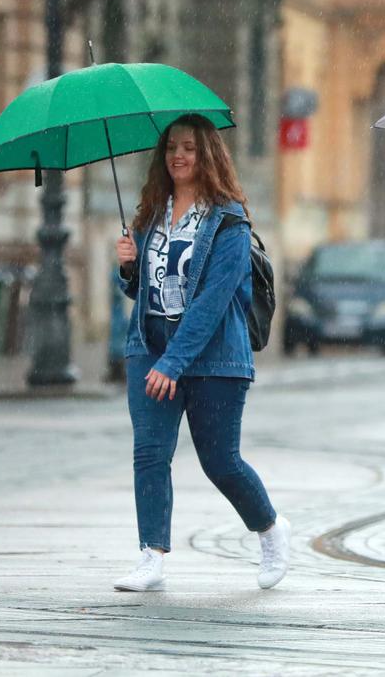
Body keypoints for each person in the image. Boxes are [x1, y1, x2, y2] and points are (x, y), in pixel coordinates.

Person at [112, 113, 289, 592]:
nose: (178, 156)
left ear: (207, 154)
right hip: (149, 348)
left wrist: (176, 362)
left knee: (220, 462)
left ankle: (271, 530)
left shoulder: (228, 219)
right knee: (150, 453)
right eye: (171, 147)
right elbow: (145, 293)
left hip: (215, 357)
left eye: (189, 147)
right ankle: (151, 556)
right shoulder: (150, 212)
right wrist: (128, 269)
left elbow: (212, 301)